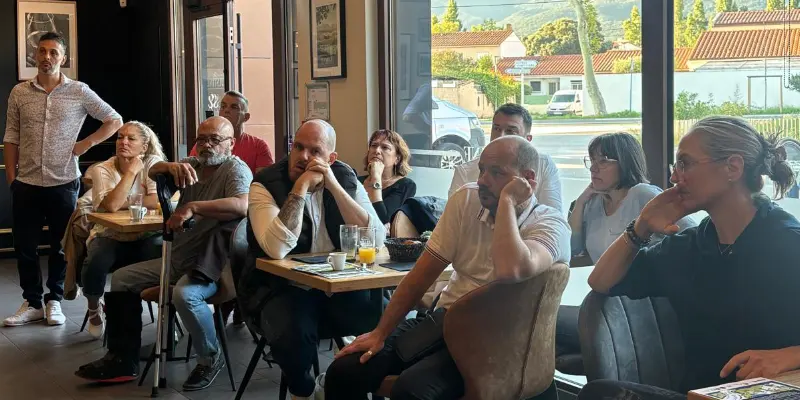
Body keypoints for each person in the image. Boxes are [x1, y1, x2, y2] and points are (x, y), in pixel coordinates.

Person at [323, 136, 571, 399]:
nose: (484, 180)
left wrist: (508, 202)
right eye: (482, 169)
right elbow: (420, 277)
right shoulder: (467, 200)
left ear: (528, 180)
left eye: (497, 172)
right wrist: (380, 333)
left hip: (498, 340)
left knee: (413, 389)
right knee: (344, 370)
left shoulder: (550, 224)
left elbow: (511, 270)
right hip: (446, 321)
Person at [580, 116, 800, 400]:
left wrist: (789, 356)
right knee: (601, 393)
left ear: (732, 167)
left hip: (776, 393)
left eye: (685, 163)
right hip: (701, 395)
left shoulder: (787, 242)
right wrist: (642, 224)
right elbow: (600, 281)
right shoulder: (690, 246)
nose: (674, 177)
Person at [75, 117, 252, 392]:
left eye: (214, 140)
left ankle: (209, 357)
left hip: (212, 263)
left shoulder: (234, 168)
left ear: (231, 143)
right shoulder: (192, 165)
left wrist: (193, 206)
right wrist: (168, 166)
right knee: (121, 279)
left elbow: (242, 205)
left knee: (185, 294)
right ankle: (122, 357)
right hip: (178, 257)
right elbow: (154, 168)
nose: (206, 145)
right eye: (201, 139)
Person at [240, 119, 386, 400]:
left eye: (315, 151)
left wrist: (333, 186)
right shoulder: (265, 183)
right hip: (279, 287)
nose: (303, 157)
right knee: (292, 334)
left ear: (331, 158)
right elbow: (276, 248)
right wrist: (301, 188)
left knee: (384, 316)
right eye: (298, 147)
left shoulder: (343, 176)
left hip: (339, 287)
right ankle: (303, 389)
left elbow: (375, 238)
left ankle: (346, 383)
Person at [3, 32, 123, 327]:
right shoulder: (20, 93)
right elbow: (11, 136)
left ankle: (53, 300)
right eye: (42, 52)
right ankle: (31, 302)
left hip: (65, 181)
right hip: (27, 183)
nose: (47, 57)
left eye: (53, 53)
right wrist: (11, 179)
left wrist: (85, 145)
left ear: (63, 59)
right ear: (35, 56)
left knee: (61, 245)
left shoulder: (79, 91)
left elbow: (114, 120)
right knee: (25, 247)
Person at [557, 132, 696, 362]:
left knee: (542, 323)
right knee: (548, 335)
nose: (594, 168)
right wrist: (580, 203)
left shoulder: (642, 194)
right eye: (591, 162)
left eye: (603, 161)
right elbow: (572, 249)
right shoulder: (594, 204)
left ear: (625, 162)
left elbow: (690, 234)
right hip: (608, 301)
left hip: (643, 307)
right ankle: (612, 358)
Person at [78, 121, 167, 340]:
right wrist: (131, 174)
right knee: (96, 259)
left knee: (161, 255)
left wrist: (124, 200)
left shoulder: (153, 163)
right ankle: (93, 309)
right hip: (110, 233)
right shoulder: (102, 169)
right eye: (119, 137)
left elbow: (157, 199)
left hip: (146, 233)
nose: (123, 142)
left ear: (144, 147)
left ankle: (166, 317)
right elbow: (111, 206)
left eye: (130, 138)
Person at [448, 103, 562, 212]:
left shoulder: (543, 165)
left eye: (510, 131)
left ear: (528, 140)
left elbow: (553, 215)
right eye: (496, 129)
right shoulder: (465, 171)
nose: (500, 136)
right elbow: (452, 221)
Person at [189, 90, 274, 174]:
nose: (226, 110)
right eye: (223, 106)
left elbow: (264, 182)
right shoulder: (203, 146)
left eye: (234, 107)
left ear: (246, 117)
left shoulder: (259, 146)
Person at [359, 129, 417, 226]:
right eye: (373, 146)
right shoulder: (356, 181)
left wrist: (376, 178)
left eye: (385, 147)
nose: (377, 151)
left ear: (397, 159)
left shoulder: (405, 185)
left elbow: (383, 221)